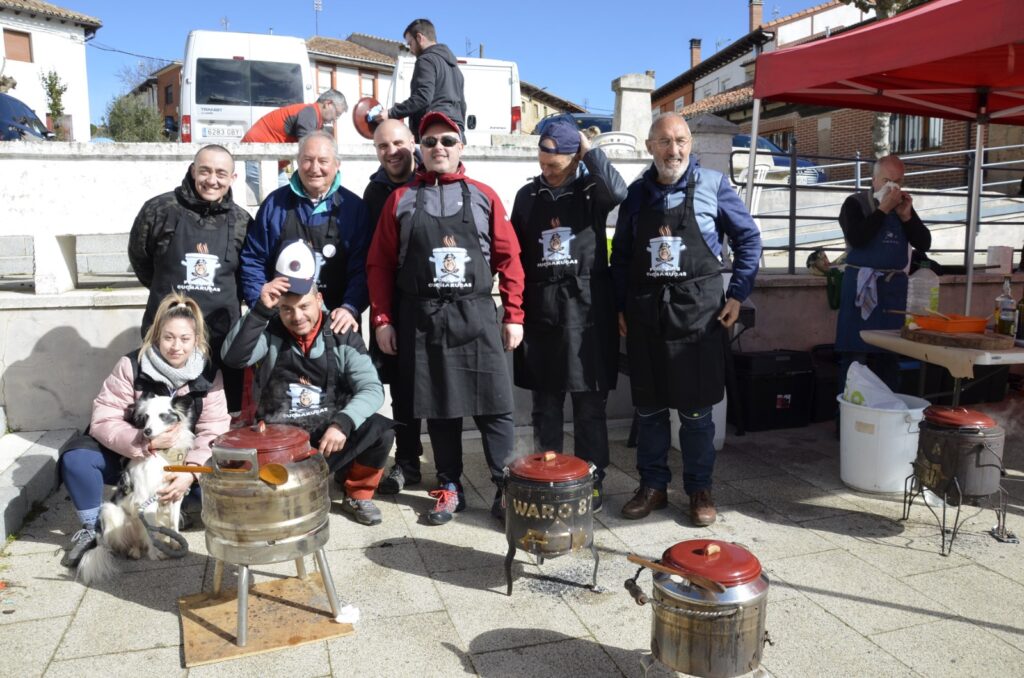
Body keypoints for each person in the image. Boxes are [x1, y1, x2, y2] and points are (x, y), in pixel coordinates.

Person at [367, 111, 525, 525]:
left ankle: (506, 487)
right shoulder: (400, 200)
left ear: (461, 147)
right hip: (423, 318)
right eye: (430, 141)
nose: (439, 147)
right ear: (420, 149)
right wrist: (383, 319)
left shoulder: (484, 196)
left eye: (447, 140)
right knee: (440, 408)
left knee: (496, 407)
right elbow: (379, 265)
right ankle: (450, 485)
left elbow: (510, 258)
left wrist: (514, 313)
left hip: (476, 314)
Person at [610, 113, 762, 526]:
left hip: (698, 315)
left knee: (696, 414)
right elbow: (620, 256)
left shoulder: (714, 186)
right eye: (664, 141)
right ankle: (653, 486)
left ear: (690, 144)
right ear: (649, 147)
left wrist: (738, 293)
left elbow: (749, 239)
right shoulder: (636, 195)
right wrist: (620, 306)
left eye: (680, 141)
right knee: (649, 410)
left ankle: (699, 489)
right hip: (645, 315)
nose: (673, 150)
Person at [221, 241, 394, 525]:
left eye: (304, 306)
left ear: (319, 299)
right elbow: (234, 358)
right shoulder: (268, 329)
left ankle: (357, 493)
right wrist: (259, 311)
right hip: (279, 439)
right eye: (287, 309)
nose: (297, 317)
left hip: (328, 433)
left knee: (381, 430)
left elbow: (372, 389)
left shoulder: (340, 332)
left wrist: (342, 424)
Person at [58, 293, 231, 569]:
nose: (176, 346)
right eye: (168, 337)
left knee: (209, 494)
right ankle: (93, 529)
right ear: (156, 335)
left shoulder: (209, 374)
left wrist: (190, 473)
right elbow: (103, 418)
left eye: (185, 339)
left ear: (196, 340)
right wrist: (142, 443)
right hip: (129, 460)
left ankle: (170, 514)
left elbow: (215, 429)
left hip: (180, 463)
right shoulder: (131, 365)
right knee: (76, 458)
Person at [511, 116, 627, 512]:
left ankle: (592, 479)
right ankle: (548, 478)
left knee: (589, 407)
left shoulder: (592, 190)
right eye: (542, 163)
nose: (546, 170)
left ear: (574, 158)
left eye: (554, 164)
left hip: (588, 313)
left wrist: (590, 150)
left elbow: (618, 190)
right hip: (543, 312)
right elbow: (515, 255)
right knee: (546, 406)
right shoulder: (528, 196)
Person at [128, 144, 252, 411]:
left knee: (222, 415)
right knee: (163, 415)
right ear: (193, 170)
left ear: (232, 178)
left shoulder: (242, 221)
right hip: (169, 337)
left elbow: (247, 275)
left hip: (221, 340)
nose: (212, 180)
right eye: (205, 171)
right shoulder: (159, 210)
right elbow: (140, 259)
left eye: (221, 173)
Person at [239, 130, 371, 336]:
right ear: (297, 162)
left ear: (337, 164)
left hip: (337, 323)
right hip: (283, 322)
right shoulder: (275, 204)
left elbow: (363, 268)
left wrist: (350, 307)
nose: (314, 168)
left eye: (323, 161)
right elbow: (254, 259)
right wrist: (261, 303)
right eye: (307, 160)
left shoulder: (354, 209)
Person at [362, 120, 424, 495]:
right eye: (383, 146)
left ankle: (451, 470)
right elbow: (373, 259)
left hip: (433, 301)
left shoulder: (434, 178)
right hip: (394, 303)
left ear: (412, 142)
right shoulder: (374, 192)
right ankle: (408, 462)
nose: (392, 151)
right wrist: (380, 315)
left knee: (440, 383)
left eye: (398, 143)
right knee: (401, 386)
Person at [835, 154, 930, 391]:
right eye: (887, 180)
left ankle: (888, 408)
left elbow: (924, 243)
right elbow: (858, 238)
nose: (893, 187)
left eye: (898, 181)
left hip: (892, 291)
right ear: (874, 180)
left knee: (890, 356)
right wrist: (883, 209)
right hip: (861, 287)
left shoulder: (902, 205)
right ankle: (849, 410)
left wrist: (907, 217)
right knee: (855, 356)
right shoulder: (854, 204)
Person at [241, 90, 348, 198]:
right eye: (337, 114)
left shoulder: (314, 117)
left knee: (287, 197)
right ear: (328, 104)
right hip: (256, 157)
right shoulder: (309, 113)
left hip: (269, 161)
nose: (335, 120)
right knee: (275, 198)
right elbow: (308, 148)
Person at [378, 19, 466, 141]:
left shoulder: (426, 60)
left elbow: (422, 97)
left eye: (410, 43)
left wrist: (391, 113)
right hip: (455, 134)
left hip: (433, 131)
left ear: (419, 38)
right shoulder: (455, 68)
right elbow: (462, 106)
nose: (411, 49)